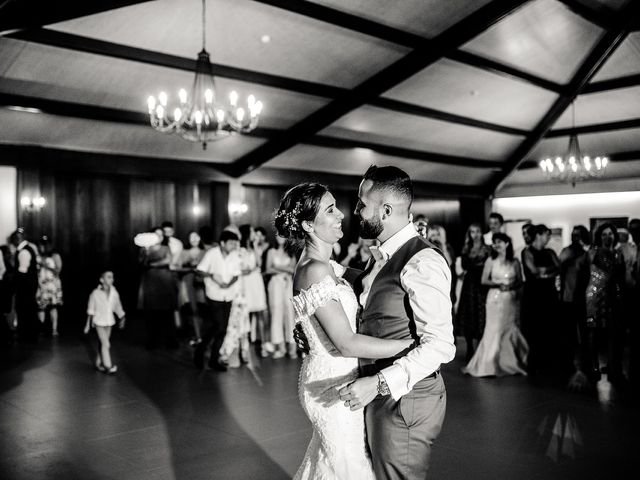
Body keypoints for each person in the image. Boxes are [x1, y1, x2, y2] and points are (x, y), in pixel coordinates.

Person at [279, 182, 415, 480]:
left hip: (337, 377)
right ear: (307, 224)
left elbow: (368, 279)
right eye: (330, 210)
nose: (341, 215)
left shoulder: (327, 266)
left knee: (331, 462)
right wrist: (410, 346)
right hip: (332, 384)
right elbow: (346, 343)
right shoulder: (314, 269)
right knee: (348, 466)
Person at [340, 165, 455, 479]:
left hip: (406, 399)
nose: (356, 211)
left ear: (386, 210)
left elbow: (441, 345)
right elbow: (371, 298)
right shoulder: (382, 256)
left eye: (362, 204)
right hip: (384, 393)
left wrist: (377, 384)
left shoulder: (423, 261)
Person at [462, 233, 528, 377]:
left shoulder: (515, 262)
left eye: (499, 242)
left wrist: (511, 286)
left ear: (507, 243)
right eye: (495, 242)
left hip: (510, 298)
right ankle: (488, 364)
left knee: (509, 327)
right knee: (493, 329)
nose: (497, 245)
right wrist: (499, 284)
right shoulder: (491, 261)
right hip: (494, 298)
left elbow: (519, 281)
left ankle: (509, 362)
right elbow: (484, 280)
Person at [195, 230, 242, 371]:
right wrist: (213, 276)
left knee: (222, 329)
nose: (234, 246)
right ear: (223, 243)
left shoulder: (235, 255)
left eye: (235, 243)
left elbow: (236, 274)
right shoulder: (212, 253)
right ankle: (201, 350)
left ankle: (213, 360)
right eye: (231, 243)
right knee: (217, 326)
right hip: (214, 294)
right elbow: (199, 270)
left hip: (228, 295)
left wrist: (229, 284)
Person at [585, 223, 625, 384]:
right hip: (595, 295)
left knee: (613, 331)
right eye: (604, 234)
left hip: (612, 295)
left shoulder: (617, 253)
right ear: (599, 236)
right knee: (593, 331)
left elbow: (620, 276)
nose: (608, 237)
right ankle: (593, 366)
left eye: (610, 234)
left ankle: (613, 366)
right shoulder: (593, 252)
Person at [521, 224, 560, 377]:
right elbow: (534, 271)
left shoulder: (550, 252)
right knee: (534, 328)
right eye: (546, 235)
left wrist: (543, 272)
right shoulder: (527, 252)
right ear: (538, 235)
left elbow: (559, 268)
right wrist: (546, 271)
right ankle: (534, 364)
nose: (548, 238)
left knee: (548, 328)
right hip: (533, 296)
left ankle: (547, 363)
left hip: (549, 294)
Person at [559, 226, 591, 387]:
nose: (574, 237)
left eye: (577, 235)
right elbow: (559, 270)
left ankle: (583, 366)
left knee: (583, 334)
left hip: (580, 299)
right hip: (566, 298)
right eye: (573, 234)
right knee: (568, 333)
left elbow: (587, 278)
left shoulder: (585, 254)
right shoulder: (566, 252)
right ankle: (568, 364)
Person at [137, 227, 178, 349]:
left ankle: (170, 340)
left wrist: (152, 264)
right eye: (156, 235)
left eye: (161, 235)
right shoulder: (144, 249)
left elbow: (167, 261)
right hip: (151, 283)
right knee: (152, 313)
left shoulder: (166, 248)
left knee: (167, 312)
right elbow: (141, 263)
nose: (159, 237)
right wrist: (146, 254)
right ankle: (153, 341)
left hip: (165, 282)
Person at [456, 223, 491, 361]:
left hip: (481, 286)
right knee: (468, 315)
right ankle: (470, 348)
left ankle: (480, 348)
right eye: (472, 232)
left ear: (482, 233)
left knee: (481, 315)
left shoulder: (487, 249)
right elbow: (464, 267)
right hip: (468, 285)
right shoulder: (466, 248)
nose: (475, 234)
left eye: (477, 231)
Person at [83, 271, 126, 374]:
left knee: (102, 344)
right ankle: (108, 366)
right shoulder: (95, 293)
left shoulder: (114, 292)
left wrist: (122, 317)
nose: (112, 279)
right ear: (102, 280)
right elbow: (91, 309)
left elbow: (117, 306)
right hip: (99, 322)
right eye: (109, 277)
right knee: (106, 343)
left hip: (109, 321)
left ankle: (98, 363)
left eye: (112, 277)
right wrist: (87, 324)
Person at [265, 234, 296, 358]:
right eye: (277, 236)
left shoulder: (291, 252)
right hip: (275, 284)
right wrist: (284, 269)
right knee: (276, 313)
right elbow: (268, 269)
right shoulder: (271, 252)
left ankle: (292, 347)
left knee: (290, 313)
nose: (279, 238)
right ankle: (280, 347)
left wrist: (277, 267)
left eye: (282, 236)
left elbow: (293, 270)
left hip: (288, 283)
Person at [10, 229, 40, 343]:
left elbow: (22, 271)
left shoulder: (23, 252)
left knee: (25, 310)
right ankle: (29, 334)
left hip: (25, 287)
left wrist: (14, 284)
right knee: (28, 310)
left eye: (14, 239)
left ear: (18, 239)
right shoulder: (27, 249)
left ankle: (27, 335)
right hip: (29, 286)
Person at [36, 236, 63, 336]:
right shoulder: (37, 256)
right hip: (41, 285)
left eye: (42, 245)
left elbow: (58, 270)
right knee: (41, 307)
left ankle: (54, 329)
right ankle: (41, 328)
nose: (40, 247)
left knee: (53, 306)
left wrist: (45, 265)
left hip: (52, 285)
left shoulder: (55, 256)